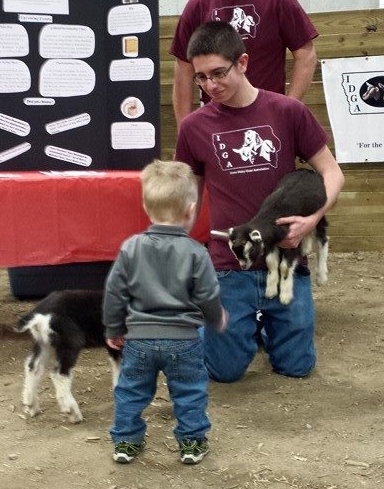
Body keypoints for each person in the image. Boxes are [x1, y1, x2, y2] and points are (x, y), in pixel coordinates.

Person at [174, 21, 345, 384]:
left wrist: (312, 219)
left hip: (283, 258)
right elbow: (190, 194)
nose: (209, 86)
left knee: (296, 367)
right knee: (224, 372)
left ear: (244, 63)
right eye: (201, 77)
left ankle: (263, 331)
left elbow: (333, 174)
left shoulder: (288, 111)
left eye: (218, 73)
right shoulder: (193, 127)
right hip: (228, 264)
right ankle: (224, 326)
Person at [103, 159, 228, 465]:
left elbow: (114, 291)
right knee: (190, 392)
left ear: (147, 208)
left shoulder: (131, 247)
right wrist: (217, 318)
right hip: (184, 340)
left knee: (130, 391)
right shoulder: (197, 252)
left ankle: (126, 441)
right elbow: (208, 294)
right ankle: (191, 443)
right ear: (190, 210)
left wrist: (113, 328)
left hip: (139, 339)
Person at [170, 0, 318, 129]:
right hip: (215, 122)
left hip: (269, 118)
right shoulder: (198, 5)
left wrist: (288, 110)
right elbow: (184, 69)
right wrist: (185, 132)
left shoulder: (278, 2)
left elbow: (306, 54)